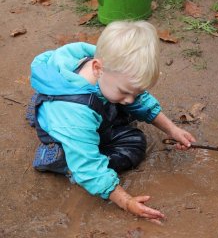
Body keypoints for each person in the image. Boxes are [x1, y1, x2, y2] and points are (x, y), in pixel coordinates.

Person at [27, 20, 196, 224]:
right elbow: (89, 167)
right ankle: (60, 159)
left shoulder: (106, 66)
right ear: (98, 68)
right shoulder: (75, 114)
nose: (131, 99)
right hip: (67, 123)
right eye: (125, 91)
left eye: (136, 92)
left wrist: (172, 129)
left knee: (126, 107)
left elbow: (139, 101)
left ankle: (40, 108)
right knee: (133, 144)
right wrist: (126, 201)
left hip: (67, 106)